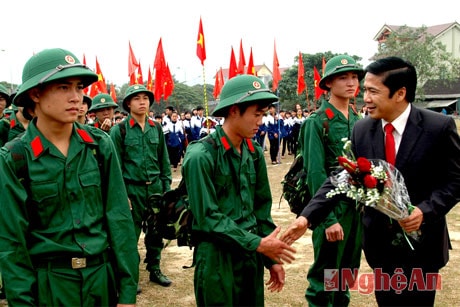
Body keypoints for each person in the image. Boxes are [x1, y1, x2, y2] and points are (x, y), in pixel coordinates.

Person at [281, 56, 460, 306]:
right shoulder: (362, 130)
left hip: (422, 248)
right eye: (365, 90)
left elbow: (455, 181)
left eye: (373, 91)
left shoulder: (438, 127)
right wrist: (306, 217)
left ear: (399, 93)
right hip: (380, 247)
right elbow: (343, 179)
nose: (364, 97)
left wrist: (425, 211)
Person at [0, 48, 139, 306]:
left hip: (100, 280)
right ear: (36, 94)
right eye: (64, 87)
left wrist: (128, 290)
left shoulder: (99, 145)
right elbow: (11, 245)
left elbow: (119, 218)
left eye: (79, 88)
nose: (77, 98)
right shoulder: (15, 158)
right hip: (51, 288)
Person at [182, 74, 296, 306]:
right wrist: (259, 244)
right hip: (217, 258)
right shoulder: (200, 156)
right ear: (234, 111)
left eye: (263, 114)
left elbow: (261, 210)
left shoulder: (254, 152)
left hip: (251, 255)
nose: (261, 122)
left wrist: (270, 259)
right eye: (256, 114)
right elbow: (207, 218)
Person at [298, 54, 364, 307]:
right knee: (325, 281)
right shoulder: (317, 122)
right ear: (327, 84)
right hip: (332, 208)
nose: (351, 82)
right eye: (343, 77)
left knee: (345, 278)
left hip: (355, 209)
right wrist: (327, 219)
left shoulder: (358, 121)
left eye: (355, 77)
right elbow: (315, 173)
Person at [110, 84, 173, 288]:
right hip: (131, 189)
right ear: (128, 103)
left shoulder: (156, 128)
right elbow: (116, 166)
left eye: (145, 98)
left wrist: (165, 187)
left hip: (155, 188)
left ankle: (155, 269)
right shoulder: (119, 130)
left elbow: (164, 160)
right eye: (137, 98)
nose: (142, 102)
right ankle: (130, 275)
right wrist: (122, 195)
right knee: (130, 235)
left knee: (156, 232)